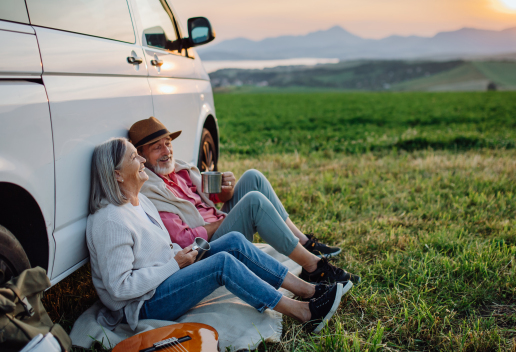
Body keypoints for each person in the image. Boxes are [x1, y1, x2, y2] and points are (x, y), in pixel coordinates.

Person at [85, 137, 345, 334]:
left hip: (168, 275)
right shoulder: (110, 220)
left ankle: (309, 290)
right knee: (222, 264)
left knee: (233, 241)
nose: (142, 161)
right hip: (144, 304)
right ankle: (304, 313)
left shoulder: (140, 201)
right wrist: (174, 264)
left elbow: (163, 245)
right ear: (117, 174)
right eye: (134, 158)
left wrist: (184, 255)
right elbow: (119, 289)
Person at [129, 117, 360, 285]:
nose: (166, 150)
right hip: (208, 249)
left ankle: (303, 241)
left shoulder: (180, 170)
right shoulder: (150, 190)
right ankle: (313, 267)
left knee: (252, 177)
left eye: (168, 142)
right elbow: (185, 239)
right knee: (253, 202)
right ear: (141, 154)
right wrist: (227, 220)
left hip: (220, 222)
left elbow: (211, 201)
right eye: (156, 147)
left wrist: (226, 193)